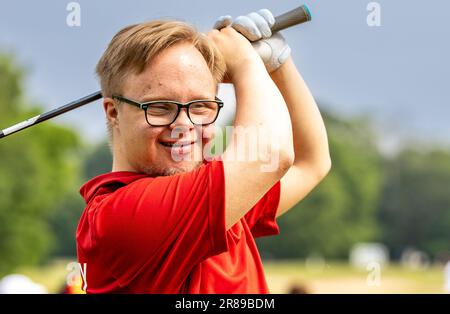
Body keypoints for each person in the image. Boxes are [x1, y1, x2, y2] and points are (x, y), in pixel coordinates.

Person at [76, 9, 331, 293]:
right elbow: (271, 155)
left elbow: (311, 161)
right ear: (113, 113)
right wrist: (246, 63)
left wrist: (277, 63)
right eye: (159, 108)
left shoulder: (216, 192)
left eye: (200, 106)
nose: (184, 125)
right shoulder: (118, 216)